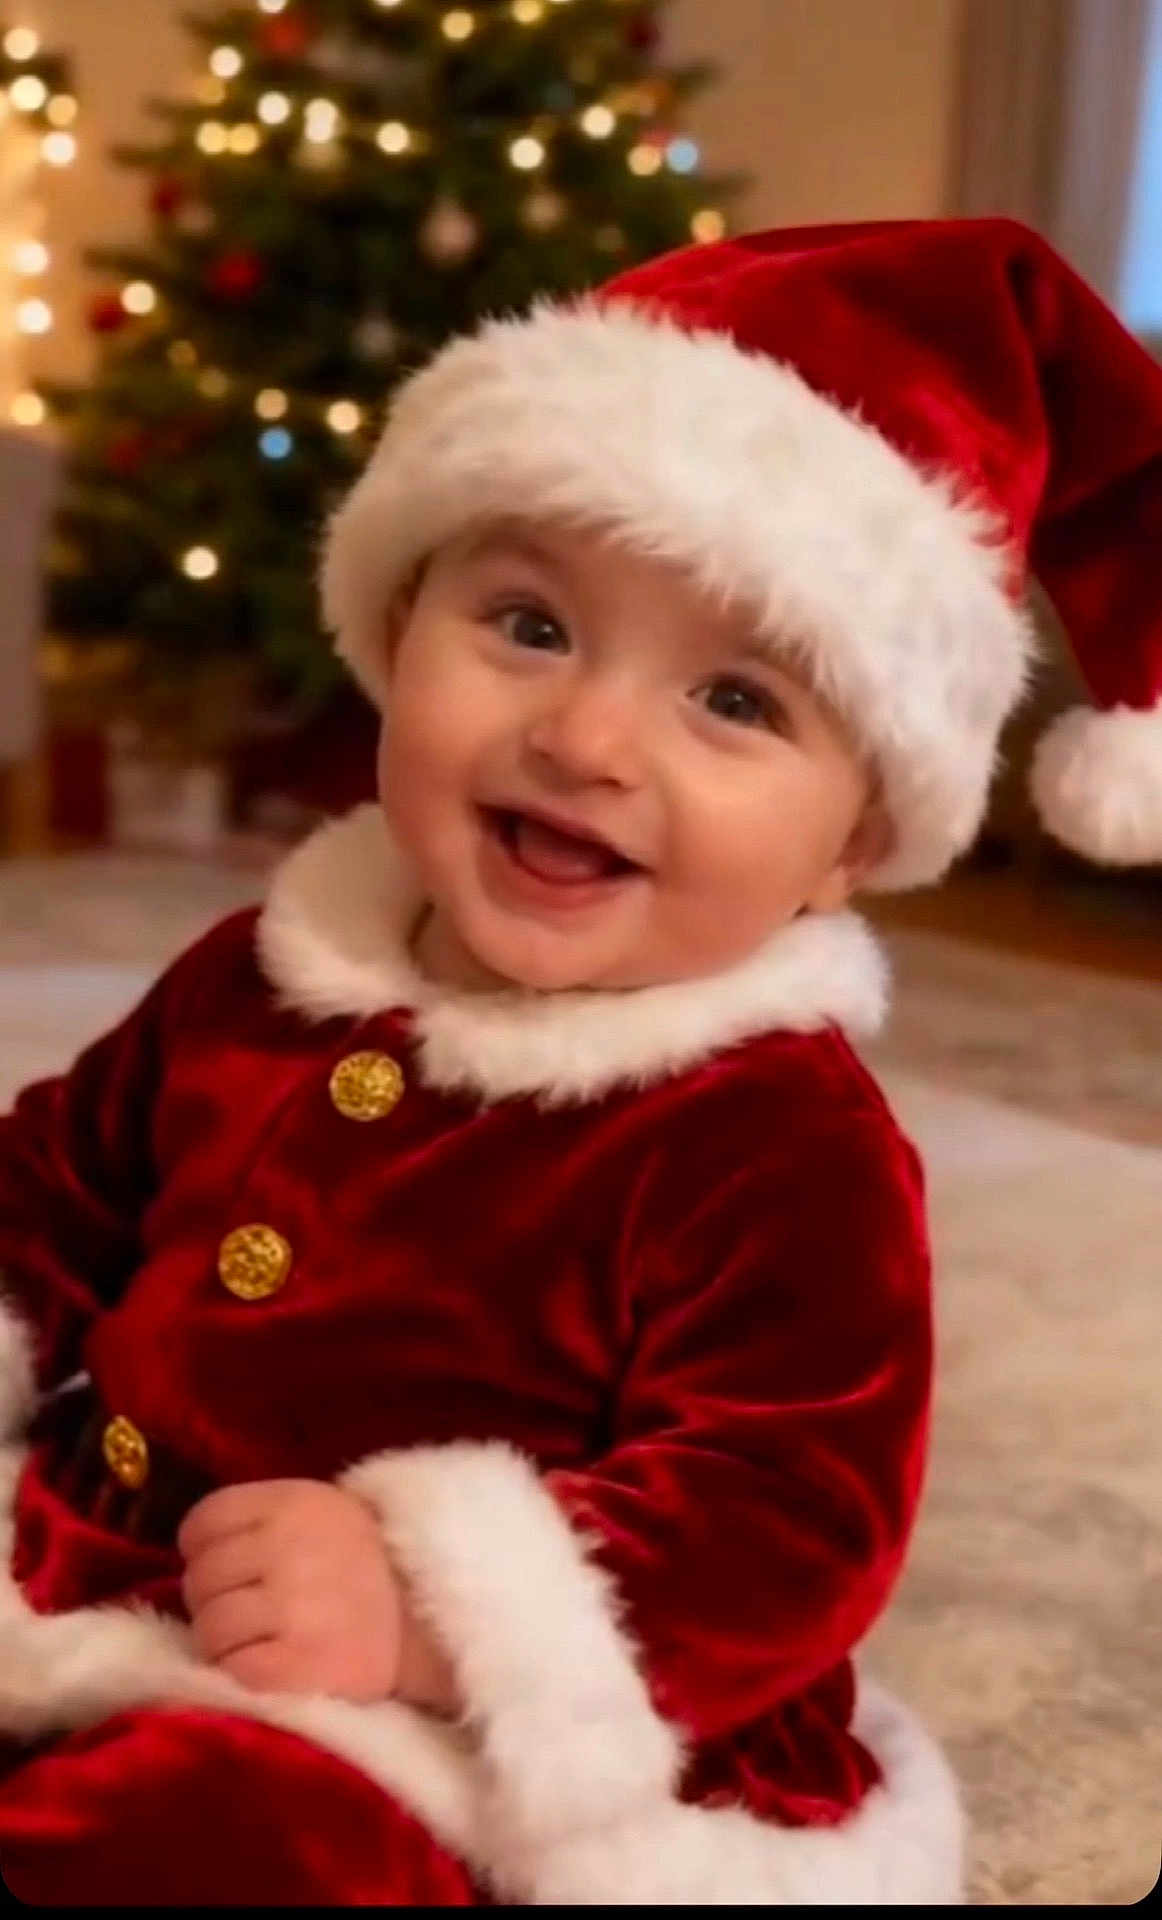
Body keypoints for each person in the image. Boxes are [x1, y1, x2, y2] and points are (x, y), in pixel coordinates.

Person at [0, 216, 1159, 1907]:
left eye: (738, 704)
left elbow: (790, 1508)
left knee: (194, 1843)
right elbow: (54, 1177)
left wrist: (422, 1608)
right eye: (529, 625)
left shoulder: (774, 1140)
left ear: (853, 841)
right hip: (97, 1567)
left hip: (450, 1732)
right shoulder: (265, 970)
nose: (586, 738)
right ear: (401, 631)